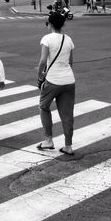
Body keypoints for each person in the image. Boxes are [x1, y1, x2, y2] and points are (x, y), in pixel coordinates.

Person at [37, 12, 75, 155]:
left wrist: (40, 77)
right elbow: (70, 62)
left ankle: (48, 140)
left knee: (43, 106)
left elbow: (42, 61)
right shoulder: (68, 39)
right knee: (67, 114)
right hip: (69, 80)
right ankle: (68, 146)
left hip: (53, 80)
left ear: (50, 24)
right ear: (62, 24)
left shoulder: (47, 39)